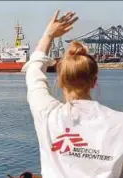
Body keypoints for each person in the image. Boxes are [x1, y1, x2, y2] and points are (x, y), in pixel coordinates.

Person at [22, 10, 123, 178]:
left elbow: (33, 70)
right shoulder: (120, 123)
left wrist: (49, 35)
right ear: (94, 81)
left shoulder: (47, 114)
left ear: (60, 81)